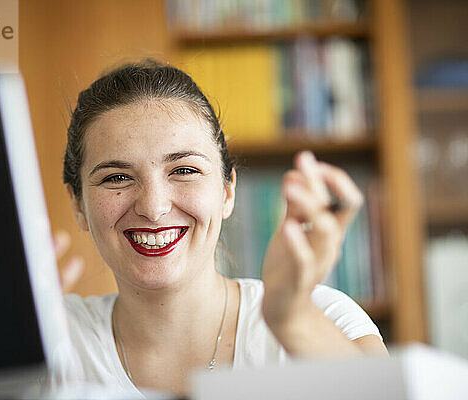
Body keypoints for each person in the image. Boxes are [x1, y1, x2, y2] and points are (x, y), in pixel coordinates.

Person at [56, 59, 388, 397]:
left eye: (184, 170)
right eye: (117, 177)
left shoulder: (323, 317)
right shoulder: (52, 337)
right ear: (78, 203)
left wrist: (293, 321)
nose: (153, 208)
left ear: (227, 190)